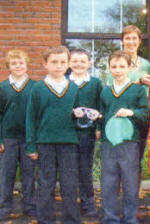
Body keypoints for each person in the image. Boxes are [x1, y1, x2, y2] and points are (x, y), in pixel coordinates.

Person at [26, 46, 82, 223]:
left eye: (63, 62)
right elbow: (31, 118)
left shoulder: (73, 88)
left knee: (70, 184)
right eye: (54, 62)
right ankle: (45, 219)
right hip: (45, 143)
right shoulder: (38, 88)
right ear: (45, 64)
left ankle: (71, 219)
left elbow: (77, 116)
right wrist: (31, 145)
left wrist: (77, 116)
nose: (59, 66)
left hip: (68, 143)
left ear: (68, 65)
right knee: (45, 183)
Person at [99, 50, 149, 224]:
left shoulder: (137, 90)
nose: (118, 70)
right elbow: (102, 114)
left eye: (122, 66)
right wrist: (98, 123)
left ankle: (130, 218)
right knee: (108, 182)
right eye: (114, 66)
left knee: (129, 182)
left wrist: (132, 112)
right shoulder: (105, 91)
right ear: (109, 68)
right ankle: (110, 217)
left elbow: (145, 114)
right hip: (108, 143)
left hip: (130, 142)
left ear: (129, 68)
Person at [0, 50, 36, 220]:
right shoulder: (2, 87)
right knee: (7, 173)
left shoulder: (35, 86)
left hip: (28, 138)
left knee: (29, 173)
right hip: (8, 138)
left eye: (21, 63)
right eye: (14, 63)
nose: (18, 66)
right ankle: (5, 207)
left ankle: (29, 206)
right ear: (9, 66)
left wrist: (35, 140)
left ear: (27, 64)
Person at [69, 49, 102, 217]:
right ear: (69, 63)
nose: (79, 64)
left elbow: (100, 105)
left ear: (89, 64)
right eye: (75, 61)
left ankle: (88, 202)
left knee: (85, 168)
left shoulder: (95, 83)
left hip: (87, 133)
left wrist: (98, 128)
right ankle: (70, 203)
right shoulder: (65, 82)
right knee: (69, 169)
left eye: (83, 61)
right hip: (68, 133)